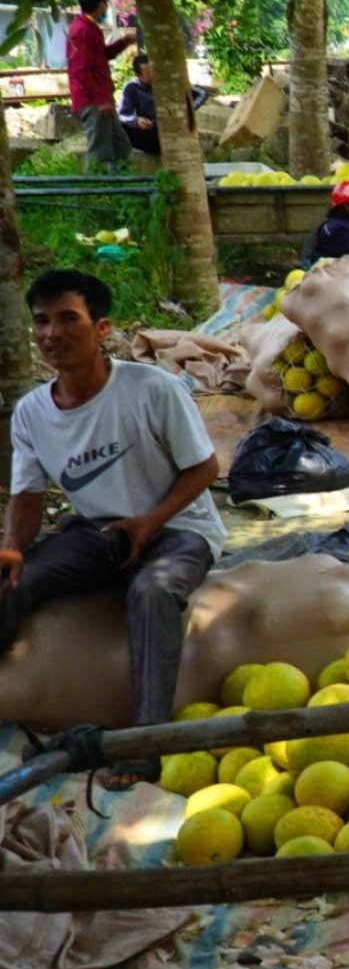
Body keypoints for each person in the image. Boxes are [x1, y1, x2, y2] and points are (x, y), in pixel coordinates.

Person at [6, 270, 226, 784]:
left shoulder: (153, 389)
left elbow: (205, 468)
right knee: (15, 580)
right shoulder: (32, 412)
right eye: (41, 321)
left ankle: (146, 741)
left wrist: (150, 521)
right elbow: (27, 496)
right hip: (99, 531)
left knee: (152, 592)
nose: (51, 333)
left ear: (102, 329)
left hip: (178, 526)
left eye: (68, 319)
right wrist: (13, 547)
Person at [67, 0, 137, 172]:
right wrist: (99, 100)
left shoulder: (89, 27)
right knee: (100, 152)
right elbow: (81, 70)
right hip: (93, 100)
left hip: (101, 99)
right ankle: (96, 192)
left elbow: (100, 56)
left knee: (121, 147)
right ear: (101, 4)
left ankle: (120, 189)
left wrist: (123, 42)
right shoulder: (82, 30)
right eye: (106, 3)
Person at [116, 52, 163, 157]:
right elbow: (122, 115)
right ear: (138, 75)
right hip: (148, 129)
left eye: (154, 71)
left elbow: (199, 94)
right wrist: (136, 121)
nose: (153, 75)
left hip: (167, 127)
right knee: (120, 127)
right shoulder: (132, 87)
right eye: (148, 73)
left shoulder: (166, 83)